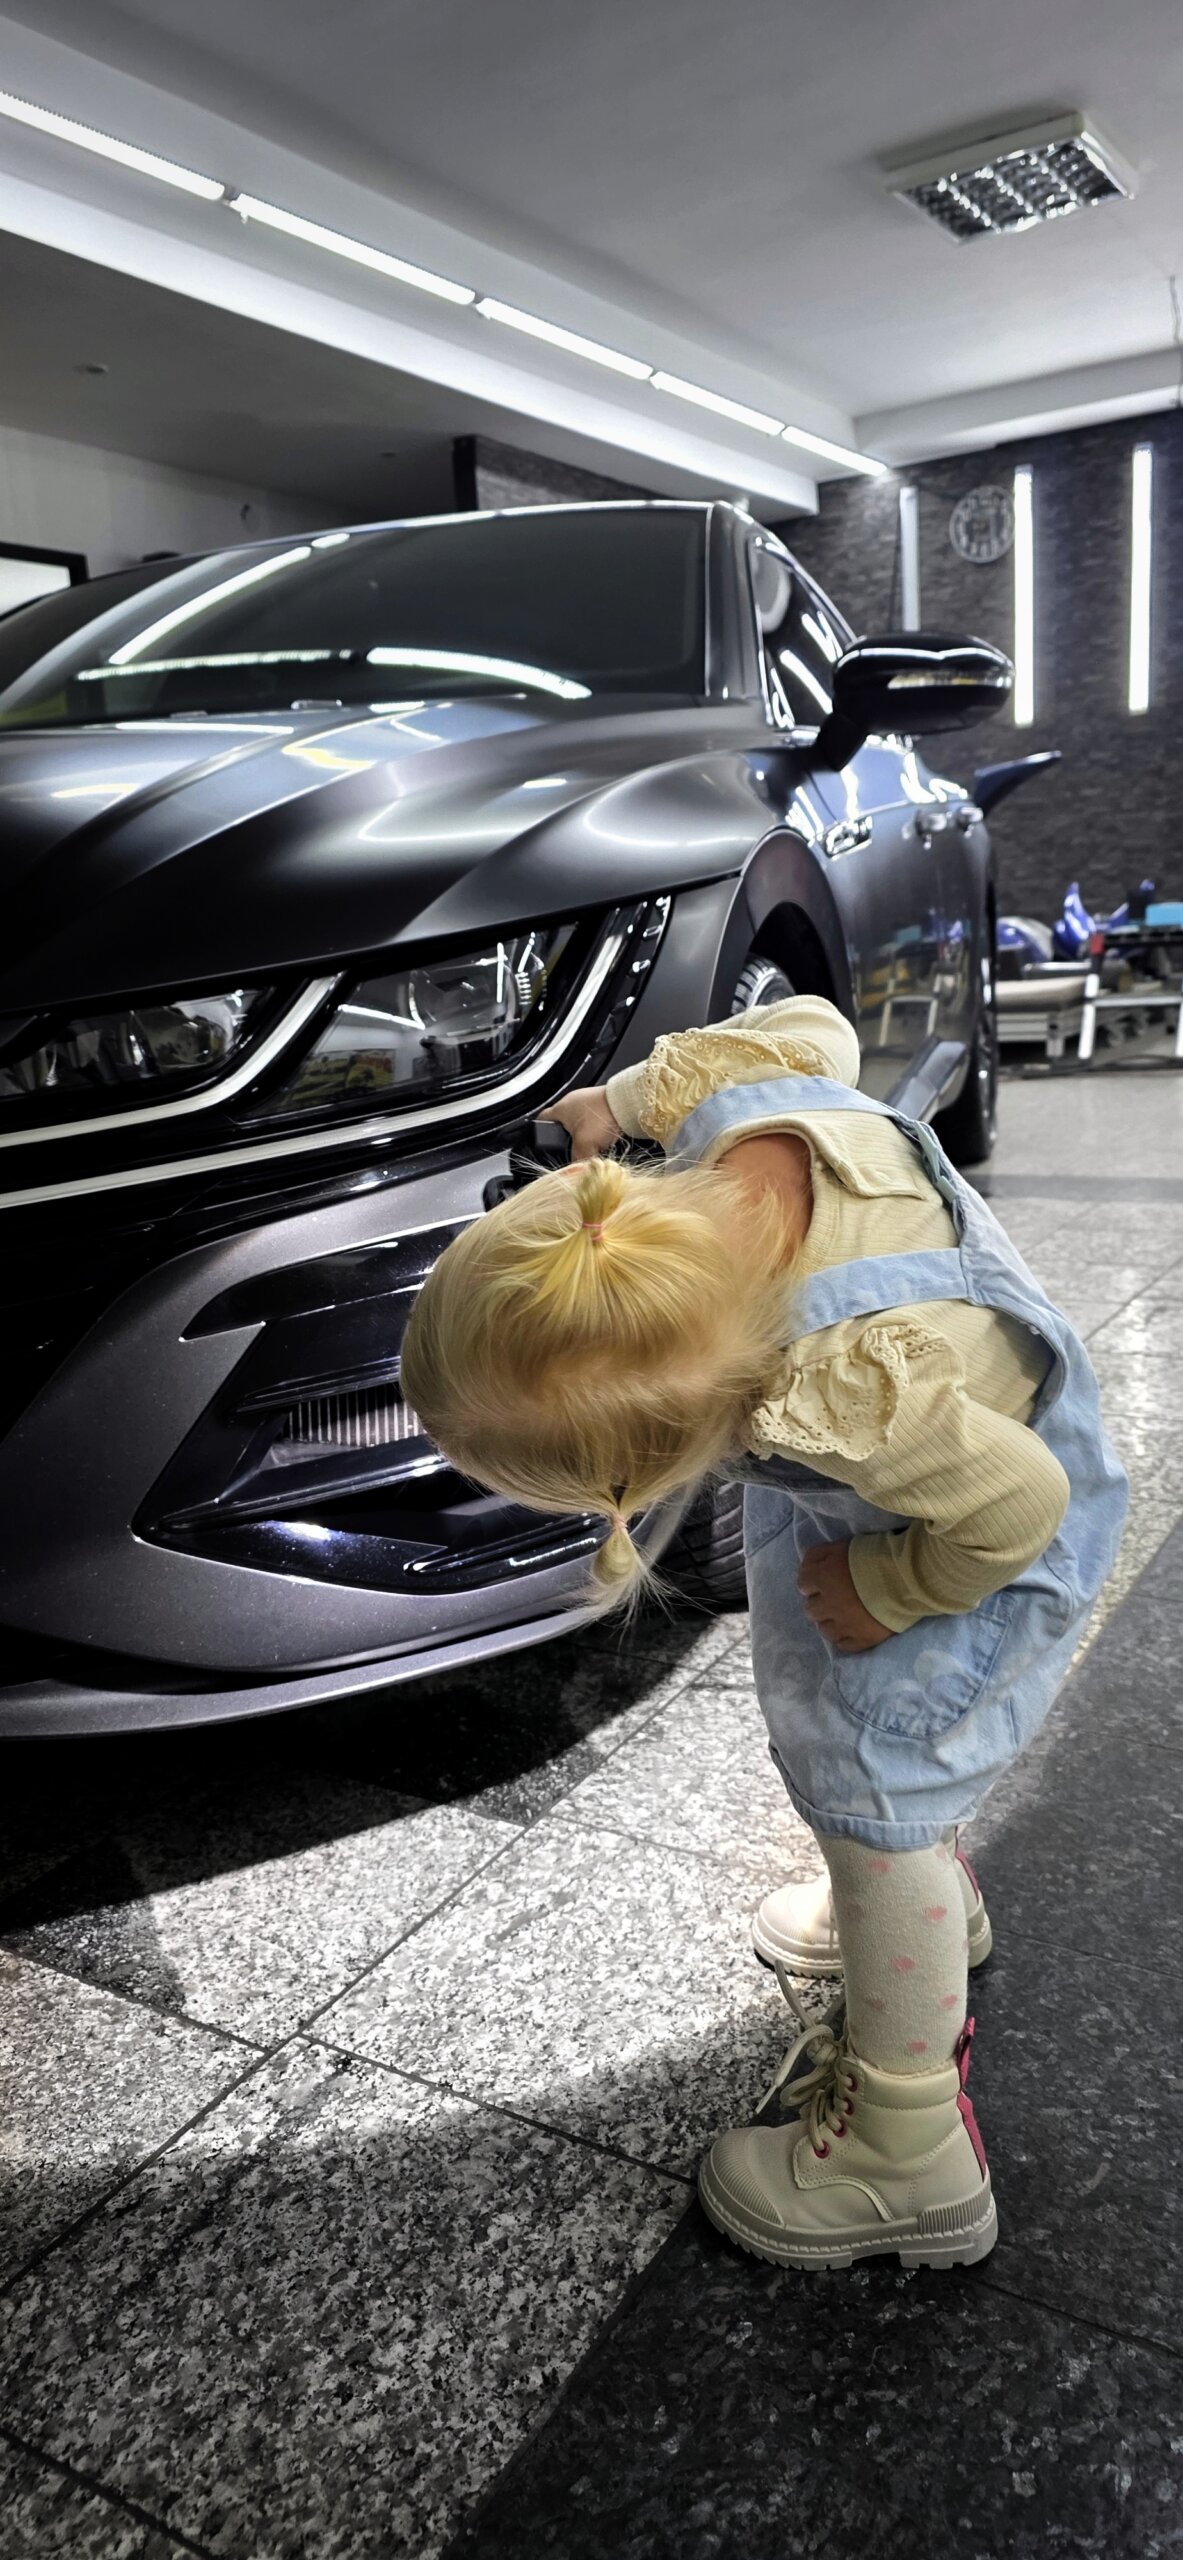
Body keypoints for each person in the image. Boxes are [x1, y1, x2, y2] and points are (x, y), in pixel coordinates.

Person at [399, 996, 1127, 2271]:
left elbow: (1021, 1500)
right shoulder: (746, 1130)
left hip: (978, 1542)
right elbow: (818, 1029)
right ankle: (925, 1914)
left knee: (874, 1790)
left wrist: (896, 1585)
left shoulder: (840, 1390)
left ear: (665, 1466)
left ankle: (905, 2151)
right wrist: (621, 1103)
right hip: (943, 1475)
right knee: (893, 1782)